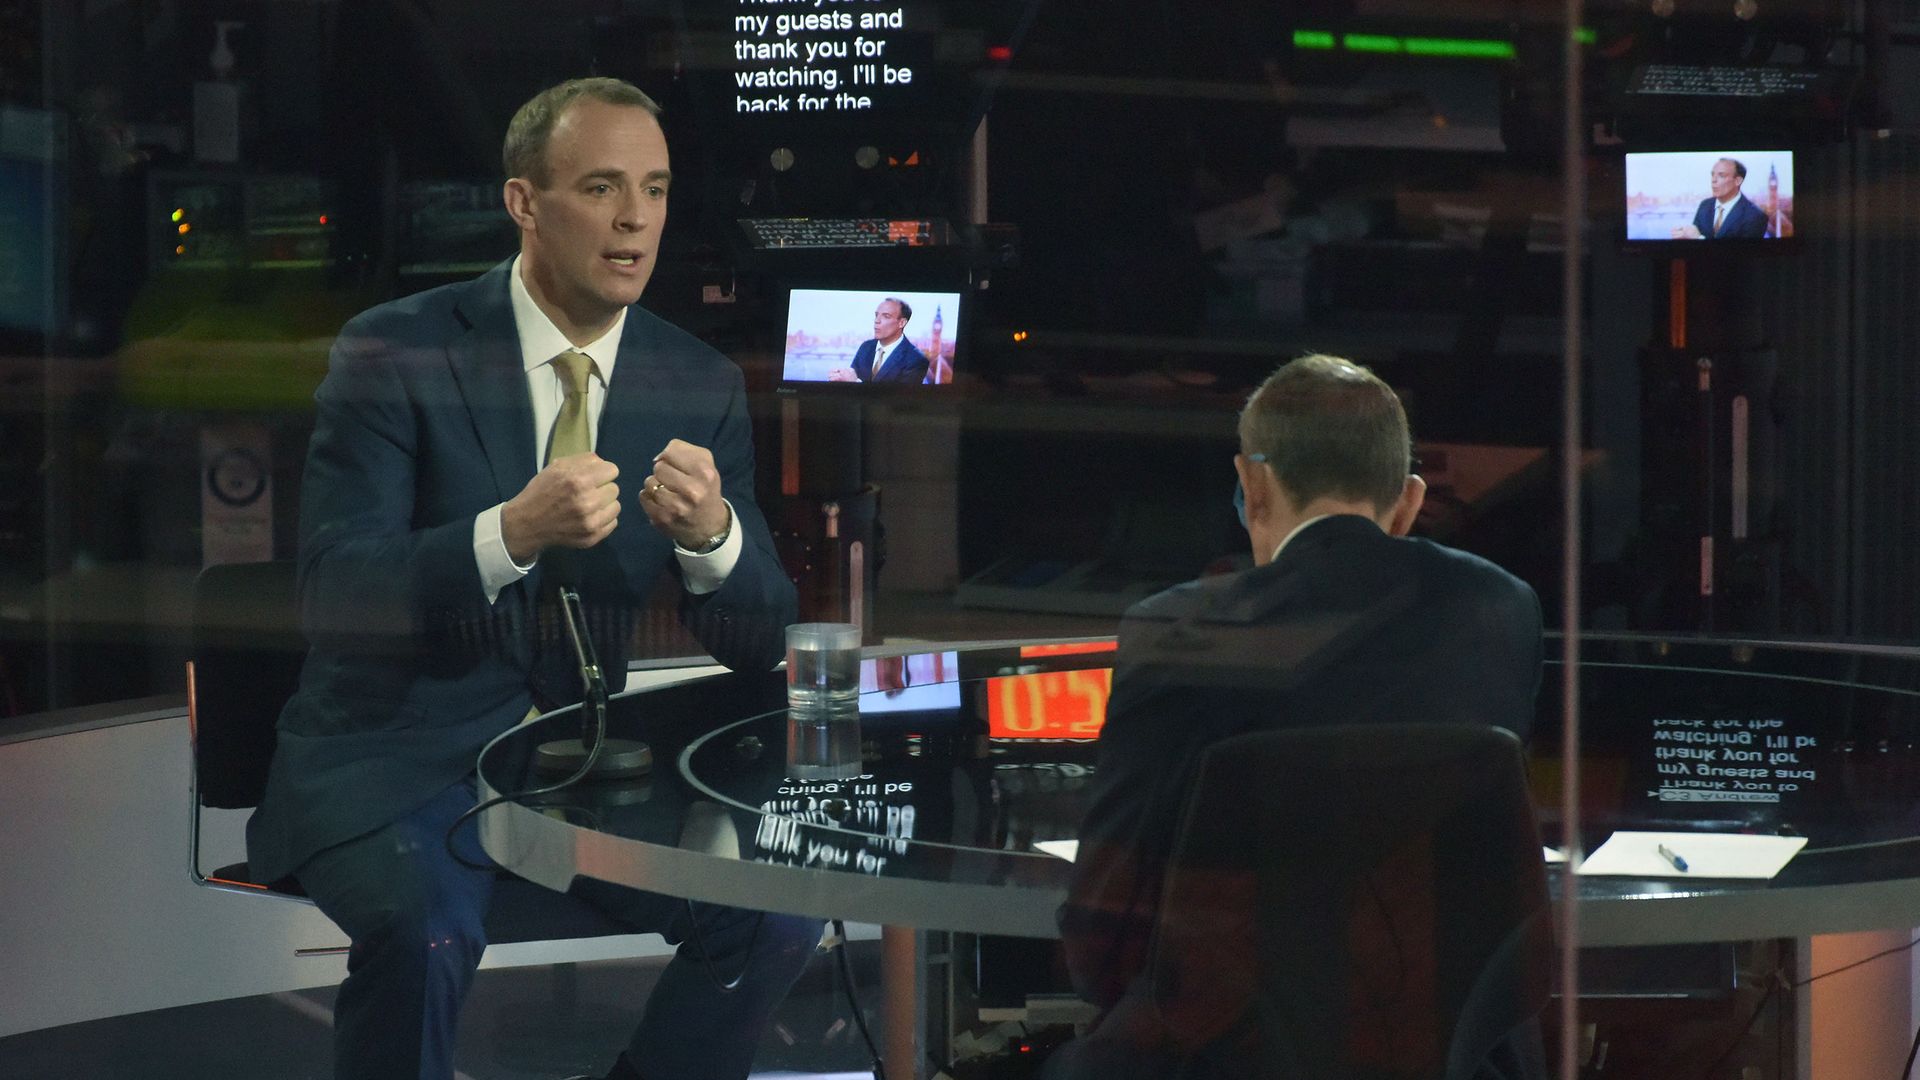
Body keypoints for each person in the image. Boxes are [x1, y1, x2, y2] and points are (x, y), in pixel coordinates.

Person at [245, 77, 818, 1080]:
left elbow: (760, 637)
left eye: (655, 188)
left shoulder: (694, 381)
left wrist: (715, 539)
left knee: (776, 914)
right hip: (395, 764)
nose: (635, 217)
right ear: (524, 204)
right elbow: (335, 594)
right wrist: (505, 534)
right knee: (427, 937)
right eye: (601, 187)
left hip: (579, 774)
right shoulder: (397, 352)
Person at [1051, 354, 1545, 1078]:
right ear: (1407, 503)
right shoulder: (1502, 609)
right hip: (1451, 1052)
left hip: (1221, 1053)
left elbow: (1102, 935)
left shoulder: (1180, 628)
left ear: (1252, 488)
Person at [825, 298, 929, 383]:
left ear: (901, 323)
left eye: (886, 316)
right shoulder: (866, 347)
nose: (876, 320)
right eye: (876, 315)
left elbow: (899, 401)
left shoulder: (916, 359)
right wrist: (840, 378)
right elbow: (851, 377)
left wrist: (855, 382)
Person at [1671, 157, 1769, 239]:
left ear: (1738, 181)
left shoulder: (1756, 216)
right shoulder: (1705, 205)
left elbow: (1742, 256)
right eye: (1712, 174)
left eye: (1721, 175)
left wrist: (1699, 238)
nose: (1713, 180)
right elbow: (1693, 237)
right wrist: (1684, 237)